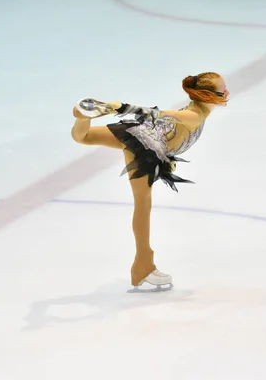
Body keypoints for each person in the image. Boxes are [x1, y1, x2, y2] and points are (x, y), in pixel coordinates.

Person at [70, 72, 230, 292]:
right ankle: (143, 266)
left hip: (142, 135)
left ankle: (82, 115)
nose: (227, 93)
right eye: (222, 91)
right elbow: (158, 114)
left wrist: (166, 158)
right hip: (145, 147)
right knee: (143, 205)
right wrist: (123, 107)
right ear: (207, 96)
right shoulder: (194, 115)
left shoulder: (199, 111)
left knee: (84, 137)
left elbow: (171, 134)